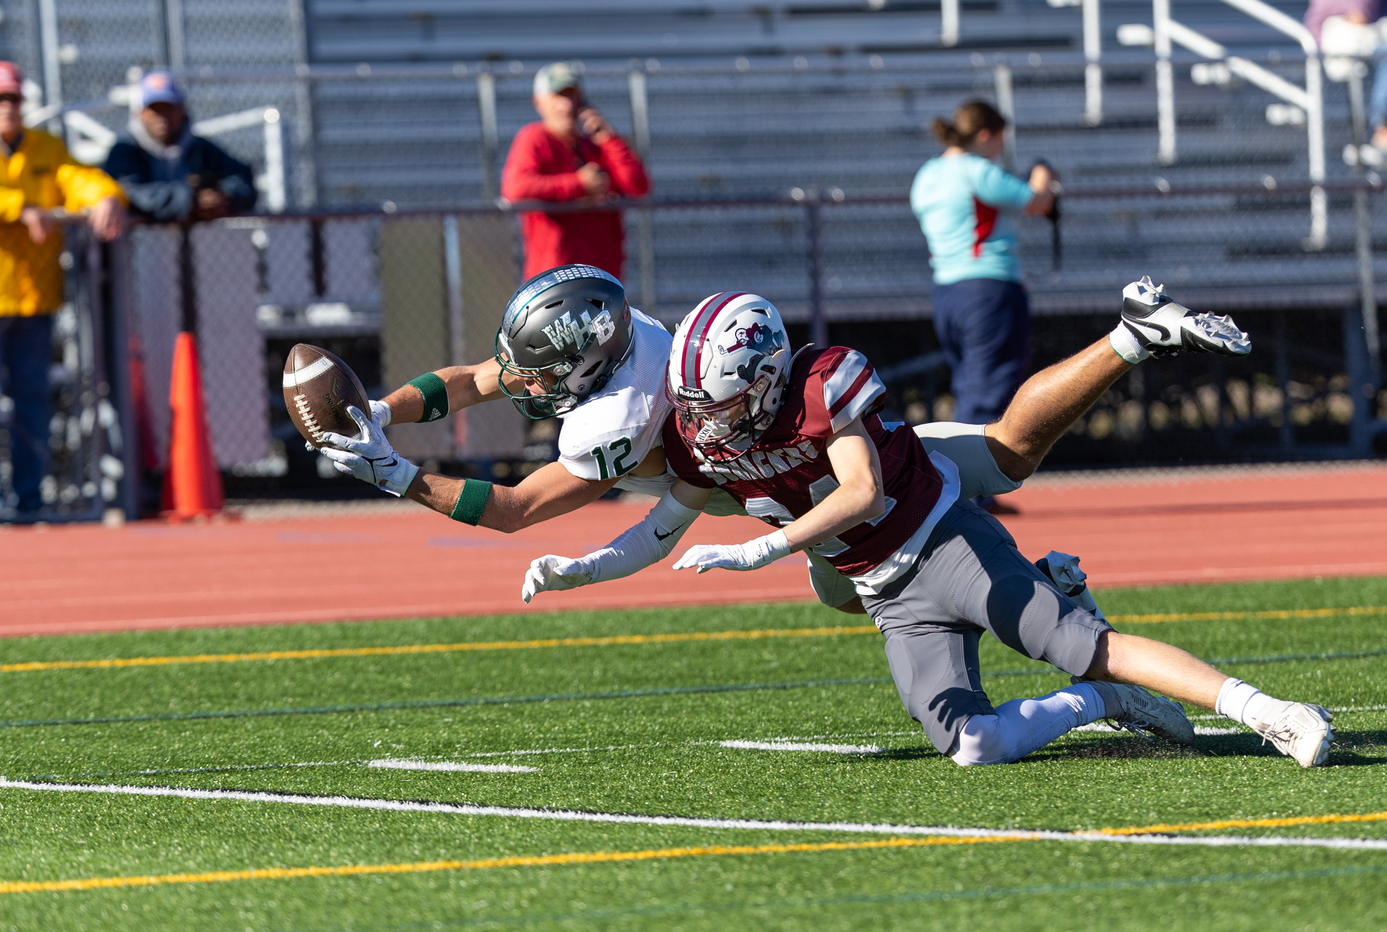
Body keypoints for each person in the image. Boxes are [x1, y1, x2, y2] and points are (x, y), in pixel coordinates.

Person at [516, 285, 1335, 770]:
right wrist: (582, 568)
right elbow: (661, 527)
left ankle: (1268, 709)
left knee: (1076, 636)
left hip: (939, 538)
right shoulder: (701, 430)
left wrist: (764, 545)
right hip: (882, 590)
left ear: (765, 378)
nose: (702, 420)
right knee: (970, 744)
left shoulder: (821, 383)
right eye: (695, 405)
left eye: (720, 402)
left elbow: (860, 493)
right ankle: (1101, 701)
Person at [318, 266, 1249, 621]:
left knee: (867, 599)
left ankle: (1037, 593)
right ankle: (1132, 335)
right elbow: (482, 378)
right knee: (1005, 453)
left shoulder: (615, 417)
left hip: (789, 495)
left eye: (538, 370)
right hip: (799, 461)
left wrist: (394, 475)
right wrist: (384, 410)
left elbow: (515, 509)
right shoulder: (624, 339)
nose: (514, 379)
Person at [0, 61, 126, 521]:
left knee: (32, 402)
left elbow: (77, 179)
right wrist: (18, 206)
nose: (7, 107)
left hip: (33, 297)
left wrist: (107, 196)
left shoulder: (45, 146)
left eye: (14, 98)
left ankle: (29, 498)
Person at [911, 100, 1057, 436]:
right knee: (988, 394)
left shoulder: (927, 174)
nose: (999, 150)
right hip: (989, 289)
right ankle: (968, 487)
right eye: (1000, 141)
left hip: (948, 293)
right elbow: (1037, 199)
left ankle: (963, 483)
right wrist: (1043, 172)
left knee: (970, 386)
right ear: (986, 135)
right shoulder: (976, 170)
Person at [501, 63, 650, 279]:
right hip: (555, 277)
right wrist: (579, 185)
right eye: (558, 97)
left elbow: (638, 186)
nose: (567, 105)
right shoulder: (534, 138)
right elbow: (515, 188)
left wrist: (609, 138)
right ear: (539, 102)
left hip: (602, 276)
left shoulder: (597, 144)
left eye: (573, 96)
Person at [102, 72, 257, 222]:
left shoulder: (200, 148)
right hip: (138, 244)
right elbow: (127, 191)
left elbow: (242, 178)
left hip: (200, 244)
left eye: (168, 107)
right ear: (140, 113)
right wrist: (189, 201)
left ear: (181, 109)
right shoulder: (125, 149)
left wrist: (224, 196)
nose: (161, 116)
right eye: (154, 109)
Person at [1305, 0, 1387, 151]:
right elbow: (1315, 20)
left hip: (1372, 36)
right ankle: (1383, 127)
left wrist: (1362, 14)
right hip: (1348, 44)